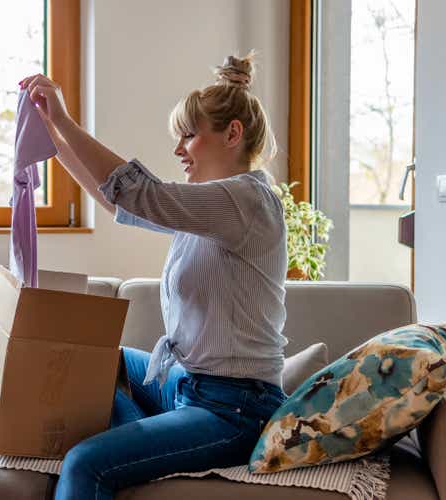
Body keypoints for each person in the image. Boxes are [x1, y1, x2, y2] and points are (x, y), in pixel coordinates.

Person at [19, 51, 289, 500]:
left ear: (233, 134)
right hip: (187, 384)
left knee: (84, 464)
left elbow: (142, 195)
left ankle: (131, 449)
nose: (178, 150)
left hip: (235, 408)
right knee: (95, 357)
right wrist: (52, 138)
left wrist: (65, 123)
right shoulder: (210, 209)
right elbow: (121, 205)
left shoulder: (247, 200)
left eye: (188, 135)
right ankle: (146, 441)